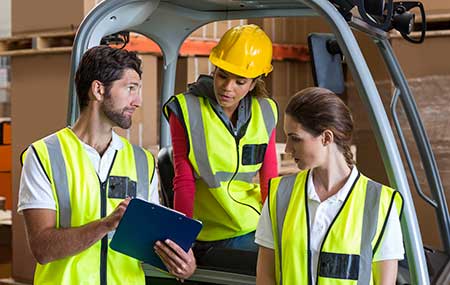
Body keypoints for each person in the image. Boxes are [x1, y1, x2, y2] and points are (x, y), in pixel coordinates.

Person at [18, 46, 196, 285]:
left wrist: (181, 263)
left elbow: (152, 243)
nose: (138, 101)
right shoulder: (43, 155)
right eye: (131, 88)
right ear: (98, 90)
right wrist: (106, 225)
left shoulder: (142, 162)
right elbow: (43, 248)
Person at [255, 87, 404, 284]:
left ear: (326, 137)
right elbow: (266, 276)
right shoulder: (280, 194)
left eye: (295, 138)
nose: (289, 148)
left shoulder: (381, 203)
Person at [163, 24, 279, 259]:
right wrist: (182, 241)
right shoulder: (186, 109)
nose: (227, 88)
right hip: (205, 231)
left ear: (254, 83)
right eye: (222, 76)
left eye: (240, 82)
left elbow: (269, 180)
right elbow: (183, 181)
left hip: (249, 226)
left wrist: (275, 231)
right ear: (214, 69)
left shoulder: (266, 111)